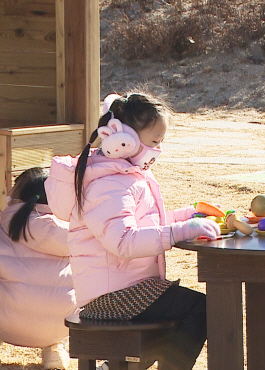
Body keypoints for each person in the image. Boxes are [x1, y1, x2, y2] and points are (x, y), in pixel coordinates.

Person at [45, 92, 222, 370]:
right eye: (154, 142)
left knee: (194, 309)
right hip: (111, 297)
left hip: (126, 288)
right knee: (205, 309)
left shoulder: (125, 174)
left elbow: (145, 224)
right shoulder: (108, 184)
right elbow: (125, 241)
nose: (158, 150)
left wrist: (189, 215)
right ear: (123, 140)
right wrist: (179, 232)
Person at [0, 167, 76, 370]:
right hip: (62, 327)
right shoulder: (72, 232)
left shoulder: (4, 225)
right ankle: (54, 350)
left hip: (6, 326)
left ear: (16, 196)